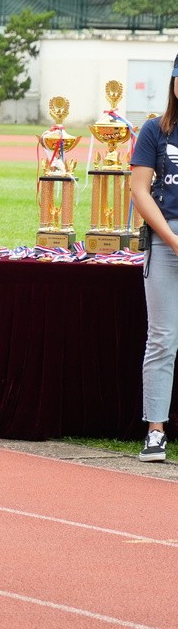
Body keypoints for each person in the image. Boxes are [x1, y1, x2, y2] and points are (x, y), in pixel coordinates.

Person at [131, 54, 178, 463]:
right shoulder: (154, 130)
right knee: (163, 338)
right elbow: (140, 190)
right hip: (166, 242)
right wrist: (172, 239)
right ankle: (156, 431)